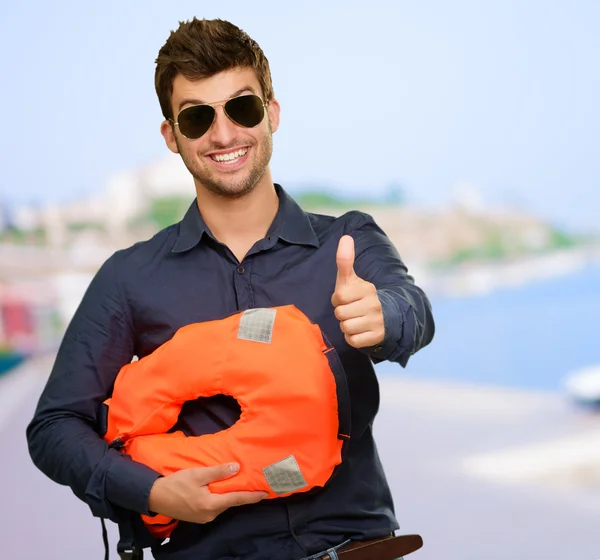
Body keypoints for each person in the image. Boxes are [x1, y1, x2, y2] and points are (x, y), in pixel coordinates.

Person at [26, 17, 434, 560]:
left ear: (272, 113)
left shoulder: (348, 239)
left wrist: (385, 315)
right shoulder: (128, 277)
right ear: (173, 136)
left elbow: (414, 311)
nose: (223, 135)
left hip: (357, 547)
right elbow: (54, 427)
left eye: (241, 108)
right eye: (197, 118)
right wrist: (149, 491)